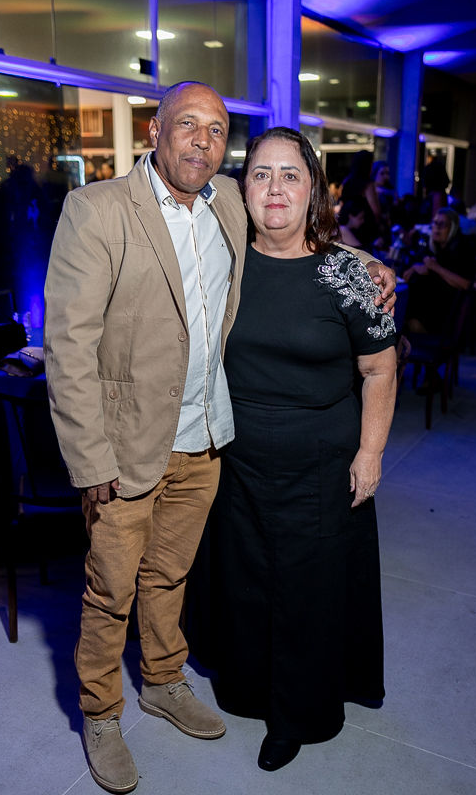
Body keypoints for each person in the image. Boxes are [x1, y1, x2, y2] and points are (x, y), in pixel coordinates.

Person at [45, 82, 397, 794]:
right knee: (110, 590)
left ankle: (162, 680)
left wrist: (365, 262)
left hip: (207, 446)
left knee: (170, 577)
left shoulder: (226, 202)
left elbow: (303, 233)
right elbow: (69, 345)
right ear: (156, 130)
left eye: (215, 130)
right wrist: (89, 460)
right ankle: (101, 714)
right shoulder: (100, 208)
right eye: (187, 125)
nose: (201, 142)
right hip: (129, 449)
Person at [195, 127, 398, 773]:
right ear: (242, 189)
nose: (275, 188)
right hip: (237, 461)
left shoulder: (350, 274)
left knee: (307, 591)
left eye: (290, 175)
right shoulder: (222, 261)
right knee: (247, 582)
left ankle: (298, 715)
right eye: (261, 174)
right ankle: (248, 690)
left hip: (321, 465)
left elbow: (379, 369)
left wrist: (371, 453)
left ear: (314, 189)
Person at [402, 207, 473, 334]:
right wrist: (415, 268)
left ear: (452, 228)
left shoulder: (462, 250)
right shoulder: (436, 248)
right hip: (426, 309)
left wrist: (435, 268)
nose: (437, 228)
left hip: (443, 317)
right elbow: (426, 265)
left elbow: (466, 284)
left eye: (442, 224)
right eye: (435, 223)